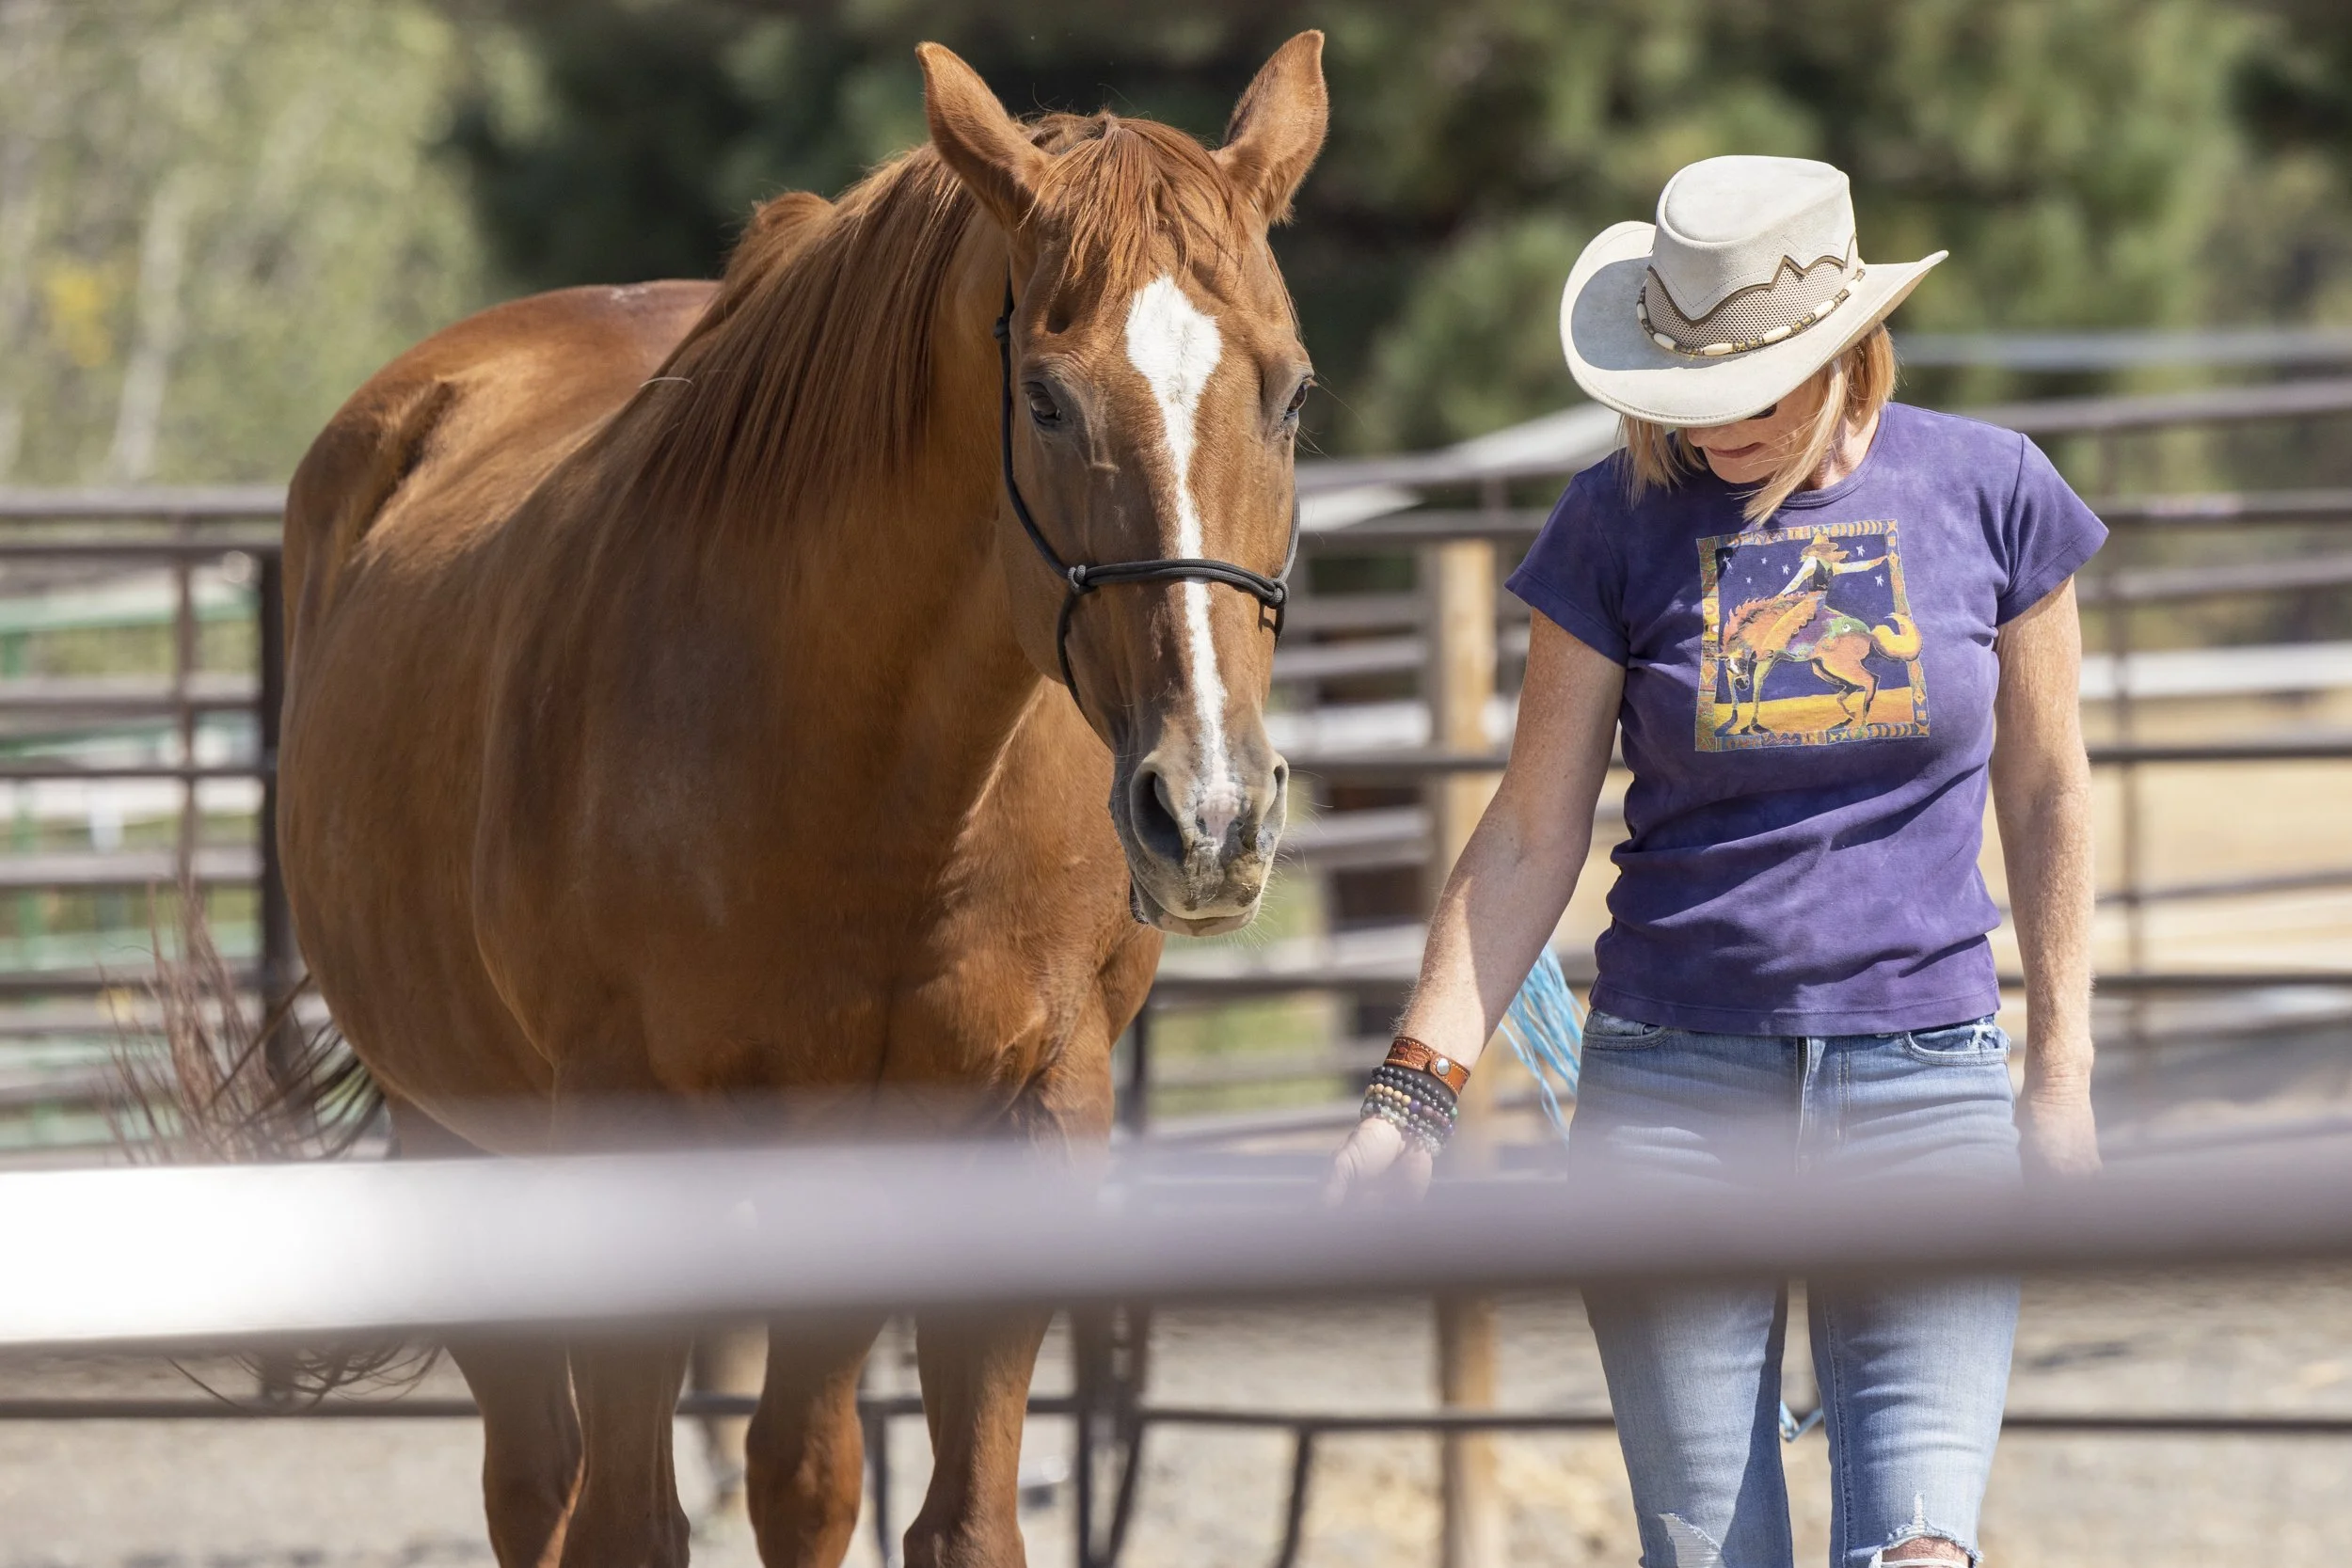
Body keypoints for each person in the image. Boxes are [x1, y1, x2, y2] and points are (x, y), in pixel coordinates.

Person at [1329, 155, 2104, 1568]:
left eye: (1756, 389)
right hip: (1675, 1089)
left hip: (1925, 1076)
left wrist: (2060, 1071)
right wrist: (1415, 1088)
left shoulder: (1994, 494)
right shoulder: (1612, 524)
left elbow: (2049, 791)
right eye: (1688, 392)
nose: (1717, 428)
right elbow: (1526, 830)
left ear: (1843, 352)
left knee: (1925, 1547)